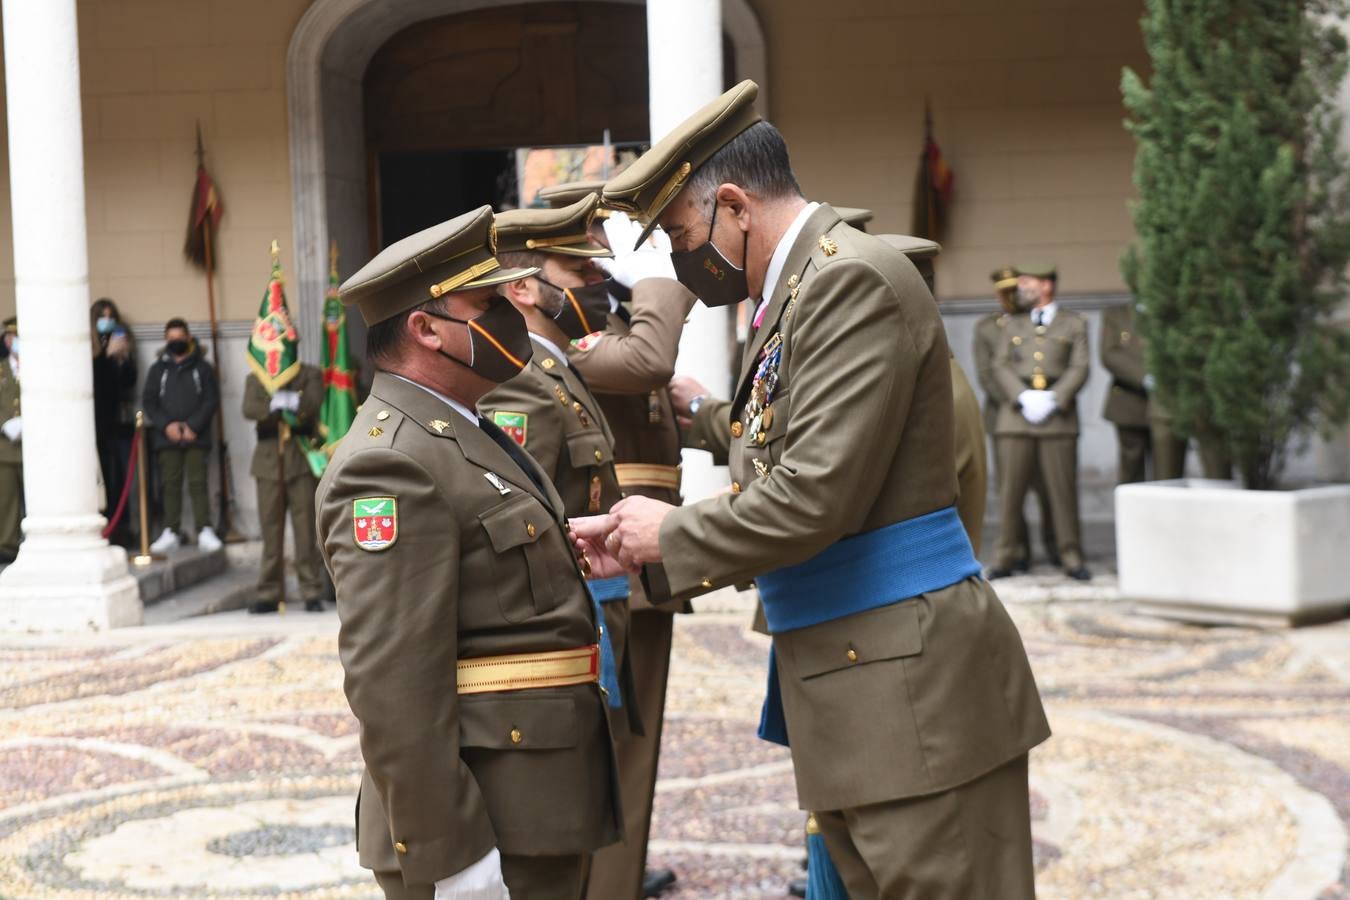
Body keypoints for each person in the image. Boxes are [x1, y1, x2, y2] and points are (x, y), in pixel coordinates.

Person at [578, 81, 1049, 899]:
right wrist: (655, 516)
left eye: (685, 236)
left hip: (910, 693)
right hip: (860, 681)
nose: (686, 263)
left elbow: (813, 495)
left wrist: (670, 534)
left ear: (733, 205)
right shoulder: (796, 293)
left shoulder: (844, 280)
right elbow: (780, 442)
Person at [317, 206, 619, 900]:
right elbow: (392, 686)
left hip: (534, 803)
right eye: (485, 306)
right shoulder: (390, 465)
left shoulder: (459, 429)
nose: (509, 317)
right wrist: (453, 860)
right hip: (484, 825)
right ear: (426, 329)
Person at [560, 202, 698, 900]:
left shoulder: (605, 324)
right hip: (607, 561)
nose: (596, 267)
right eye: (578, 258)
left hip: (644, 560)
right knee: (606, 749)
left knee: (634, 756)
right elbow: (651, 360)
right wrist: (654, 282)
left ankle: (614, 879)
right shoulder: (563, 336)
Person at [478, 196, 644, 750]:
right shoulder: (522, 379)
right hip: (570, 627)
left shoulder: (559, 371)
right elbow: (518, 523)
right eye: (580, 269)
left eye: (598, 266)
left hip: (600, 611)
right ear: (522, 288)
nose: (599, 281)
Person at [987, 263, 1091, 581]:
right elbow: (999, 364)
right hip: (1015, 417)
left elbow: (1080, 366)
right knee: (1010, 492)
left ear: (1046, 285)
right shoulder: (1011, 324)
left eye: (1028, 282)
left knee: (1062, 491)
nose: (1021, 288)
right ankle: (1005, 554)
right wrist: (1022, 396)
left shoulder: (1074, 323)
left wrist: (1054, 399)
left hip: (1058, 418)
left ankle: (1070, 554)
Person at [973, 267, 1057, 568]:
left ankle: (1055, 545)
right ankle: (1017, 551)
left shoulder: (1037, 322)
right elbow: (987, 374)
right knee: (1011, 487)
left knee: (1049, 485)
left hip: (1045, 415)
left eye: (1015, 290)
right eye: (1005, 292)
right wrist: (1019, 401)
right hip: (1004, 415)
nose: (1011, 297)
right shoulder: (986, 327)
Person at [242, 363, 327, 613]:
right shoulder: (255, 377)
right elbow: (249, 408)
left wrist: (289, 399)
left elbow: (312, 403)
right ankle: (269, 591)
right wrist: (274, 405)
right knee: (271, 530)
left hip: (300, 459)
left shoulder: (308, 374)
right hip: (268, 461)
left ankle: (311, 590)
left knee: (305, 531)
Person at [142, 318, 221, 554]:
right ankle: (171, 531)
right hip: (167, 438)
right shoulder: (158, 370)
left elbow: (210, 399)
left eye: (180, 337)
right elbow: (150, 401)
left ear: (188, 338)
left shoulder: (203, 368)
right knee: (170, 484)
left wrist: (193, 426)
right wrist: (167, 425)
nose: (176, 342)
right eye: (171, 338)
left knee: (198, 482)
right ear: (166, 341)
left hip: (197, 435)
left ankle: (204, 528)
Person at [1101, 302, 1188, 482]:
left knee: (1168, 473)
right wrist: (1143, 377)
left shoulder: (1175, 312)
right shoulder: (1117, 314)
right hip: (1129, 401)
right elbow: (1110, 354)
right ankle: (1132, 510)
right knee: (1131, 470)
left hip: (1169, 402)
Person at [90, 299, 139, 547]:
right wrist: (107, 358)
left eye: (111, 315)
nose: (107, 320)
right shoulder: (90, 349)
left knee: (124, 478)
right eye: (102, 315)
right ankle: (106, 525)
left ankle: (123, 527)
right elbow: (96, 384)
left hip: (122, 422)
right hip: (99, 424)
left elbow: (129, 381)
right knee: (105, 478)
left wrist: (123, 358)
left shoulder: (122, 342)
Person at [0, 318, 22, 563]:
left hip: (34, 447)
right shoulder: (2, 370)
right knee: (6, 500)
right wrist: (6, 423)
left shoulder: (41, 369)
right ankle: (7, 546)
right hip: (5, 445)